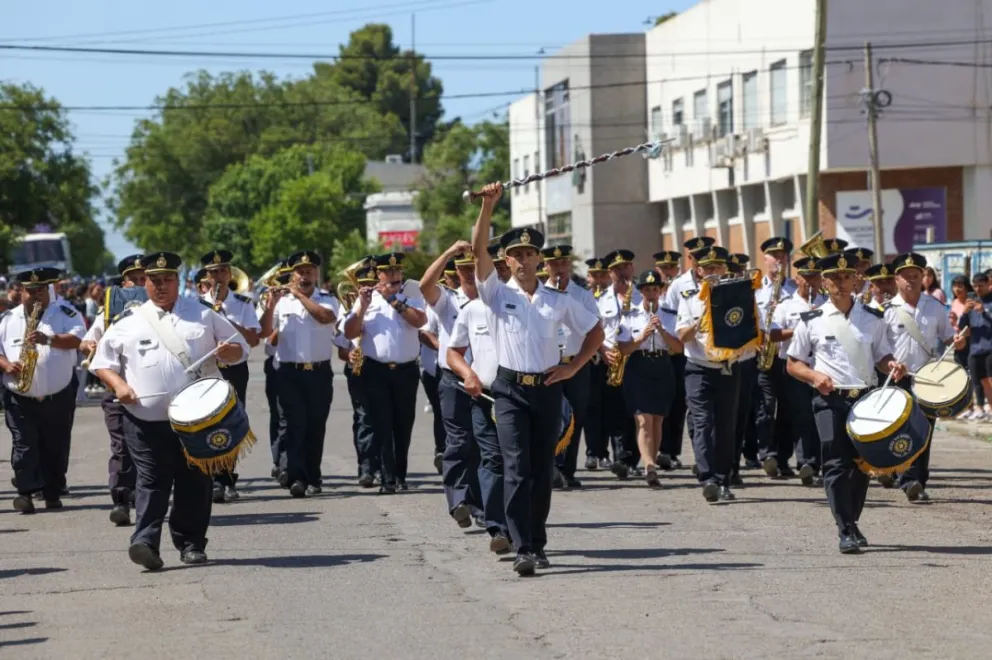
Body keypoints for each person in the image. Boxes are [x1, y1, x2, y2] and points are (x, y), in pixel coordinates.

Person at [470, 182, 603, 576]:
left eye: (529, 254)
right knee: (515, 465)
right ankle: (521, 544)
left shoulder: (559, 300)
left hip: (546, 389)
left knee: (541, 469)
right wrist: (488, 207)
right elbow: (478, 250)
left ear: (540, 259)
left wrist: (573, 367)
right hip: (509, 390)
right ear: (506, 262)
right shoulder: (495, 294)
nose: (524, 261)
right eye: (516, 255)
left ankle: (537, 540)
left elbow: (596, 331)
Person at [90, 252, 248, 569]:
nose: (161, 286)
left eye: (167, 280)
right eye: (154, 280)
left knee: (195, 482)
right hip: (145, 420)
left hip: (196, 422)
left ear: (178, 281)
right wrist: (118, 386)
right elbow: (101, 364)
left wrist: (227, 350)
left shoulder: (203, 314)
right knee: (151, 481)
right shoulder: (127, 321)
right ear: (145, 282)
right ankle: (145, 542)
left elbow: (239, 349)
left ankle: (191, 544)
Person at [786, 252, 906, 554]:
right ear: (824, 282)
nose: (841, 282)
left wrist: (892, 365)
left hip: (865, 399)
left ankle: (851, 521)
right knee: (836, 462)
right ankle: (845, 529)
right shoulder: (812, 320)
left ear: (856, 279)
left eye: (846, 276)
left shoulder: (872, 319)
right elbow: (793, 364)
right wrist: (814, 377)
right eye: (834, 277)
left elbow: (881, 356)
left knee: (862, 465)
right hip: (830, 398)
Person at [1, 267, 85, 513]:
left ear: (48, 290)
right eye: (30, 291)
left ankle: (52, 492)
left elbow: (79, 340)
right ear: (21, 292)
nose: (36, 295)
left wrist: (48, 339)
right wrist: (6, 365)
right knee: (24, 443)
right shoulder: (7, 319)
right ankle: (25, 493)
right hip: (19, 393)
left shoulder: (66, 313)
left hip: (57, 394)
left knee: (55, 444)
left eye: (41, 290)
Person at [343, 252, 427, 494]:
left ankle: (400, 475)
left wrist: (393, 300)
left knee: (403, 424)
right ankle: (387, 478)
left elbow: (419, 321)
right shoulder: (366, 299)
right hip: (376, 371)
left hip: (406, 371)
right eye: (388, 272)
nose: (394, 276)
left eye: (397, 271)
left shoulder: (411, 295)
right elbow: (350, 332)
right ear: (377, 275)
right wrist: (362, 308)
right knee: (382, 424)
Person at [446, 270, 512, 556]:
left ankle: (524, 530)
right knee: (493, 460)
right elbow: (453, 352)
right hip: (484, 397)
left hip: (519, 398)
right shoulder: (471, 310)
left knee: (521, 464)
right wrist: (467, 373)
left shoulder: (527, 304)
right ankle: (497, 527)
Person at [882, 253, 957, 502]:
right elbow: (879, 348)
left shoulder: (935, 307)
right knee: (901, 429)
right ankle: (905, 476)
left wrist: (959, 339)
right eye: (906, 277)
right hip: (897, 377)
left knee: (924, 430)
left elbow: (948, 337)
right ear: (896, 279)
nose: (911, 281)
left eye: (916, 275)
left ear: (923, 277)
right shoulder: (887, 311)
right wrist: (890, 363)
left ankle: (916, 480)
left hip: (926, 377)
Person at [263, 251, 340, 497]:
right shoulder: (281, 302)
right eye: (300, 272)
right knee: (294, 425)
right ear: (292, 274)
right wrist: (270, 305)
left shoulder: (327, 299)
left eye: (309, 272)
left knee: (315, 426)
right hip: (288, 372)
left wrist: (297, 295)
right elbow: (264, 332)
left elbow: (325, 317)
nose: (304, 276)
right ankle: (296, 477)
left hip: (318, 372)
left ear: (316, 274)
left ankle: (313, 477)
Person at [79, 254, 146, 525]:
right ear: (125, 281)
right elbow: (86, 342)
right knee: (122, 446)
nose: (141, 285)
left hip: (150, 389)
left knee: (150, 447)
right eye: (135, 280)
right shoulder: (110, 307)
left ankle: (145, 497)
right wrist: (90, 347)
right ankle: (121, 499)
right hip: (116, 387)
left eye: (145, 279)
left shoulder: (163, 307)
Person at [420, 241, 483, 526]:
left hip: (485, 381)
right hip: (453, 380)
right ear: (455, 271)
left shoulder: (491, 298)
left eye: (473, 267)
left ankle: (482, 506)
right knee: (458, 441)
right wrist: (447, 253)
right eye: (463, 268)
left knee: (483, 444)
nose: (469, 273)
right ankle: (458, 499)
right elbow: (424, 286)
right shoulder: (447, 299)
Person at [676, 246, 744, 502]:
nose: (714, 272)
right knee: (703, 422)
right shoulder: (689, 297)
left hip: (728, 367)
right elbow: (682, 336)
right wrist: (701, 317)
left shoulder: (736, 296)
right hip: (698, 367)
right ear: (699, 271)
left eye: (719, 267)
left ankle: (723, 479)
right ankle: (708, 478)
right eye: (709, 268)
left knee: (726, 426)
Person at [199, 249, 261, 503]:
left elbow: (254, 339)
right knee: (207, 421)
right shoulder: (194, 303)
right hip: (208, 368)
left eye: (223, 270)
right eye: (214, 272)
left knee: (231, 421)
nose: (219, 276)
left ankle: (227, 476)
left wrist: (223, 317)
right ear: (207, 276)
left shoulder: (243, 303)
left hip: (235, 368)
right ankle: (212, 478)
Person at [616, 269, 682, 486]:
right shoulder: (630, 315)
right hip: (638, 365)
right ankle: (649, 466)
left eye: (655, 289)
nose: (651, 293)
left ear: (660, 291)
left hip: (662, 365)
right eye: (647, 290)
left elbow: (678, 348)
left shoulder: (670, 315)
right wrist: (640, 337)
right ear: (641, 292)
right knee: (643, 420)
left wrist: (661, 331)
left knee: (657, 420)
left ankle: (651, 460)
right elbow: (624, 349)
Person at [542, 244, 600, 490]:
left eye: (563, 263)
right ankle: (549, 467)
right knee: (549, 417)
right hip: (548, 365)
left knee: (576, 416)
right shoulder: (539, 294)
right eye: (553, 264)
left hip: (575, 364)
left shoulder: (582, 295)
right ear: (545, 267)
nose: (559, 268)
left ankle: (568, 470)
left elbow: (595, 328)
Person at [769, 257, 827, 485]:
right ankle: (806, 462)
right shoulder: (786, 305)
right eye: (806, 278)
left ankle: (817, 462)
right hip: (794, 367)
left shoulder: (826, 303)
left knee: (819, 415)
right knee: (800, 415)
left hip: (820, 367)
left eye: (815, 278)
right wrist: (802, 326)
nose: (811, 283)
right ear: (797, 279)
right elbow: (773, 334)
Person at [598, 248, 642, 479]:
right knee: (615, 412)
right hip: (612, 360)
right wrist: (603, 351)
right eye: (616, 269)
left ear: (632, 268)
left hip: (637, 359)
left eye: (625, 267)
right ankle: (621, 458)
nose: (622, 272)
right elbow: (594, 331)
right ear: (610, 273)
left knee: (636, 413)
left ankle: (633, 459)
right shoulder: (600, 299)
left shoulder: (642, 296)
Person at [259, 263, 290, 481]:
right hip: (276, 362)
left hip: (297, 362)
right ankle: (279, 459)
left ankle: (290, 463)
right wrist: (272, 305)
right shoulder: (268, 300)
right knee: (279, 416)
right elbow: (264, 333)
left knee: (294, 419)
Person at [581, 256, 612, 470]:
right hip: (590, 359)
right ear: (588, 277)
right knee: (591, 409)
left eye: (602, 275)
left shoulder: (614, 298)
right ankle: (592, 452)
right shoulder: (583, 298)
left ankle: (604, 453)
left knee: (608, 409)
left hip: (610, 361)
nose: (599, 279)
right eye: (595, 275)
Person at [948, 275, 986, 420]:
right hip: (959, 342)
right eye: (955, 285)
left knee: (976, 375)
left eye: (961, 286)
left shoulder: (974, 301)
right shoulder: (954, 303)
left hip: (974, 342)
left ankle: (980, 407)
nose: (957, 289)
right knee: (962, 376)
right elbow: (954, 324)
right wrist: (952, 321)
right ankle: (967, 407)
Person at [957, 272, 992, 422]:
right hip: (975, 347)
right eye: (975, 286)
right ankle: (979, 408)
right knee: (976, 380)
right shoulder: (970, 302)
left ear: (988, 285)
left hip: (990, 347)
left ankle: (991, 407)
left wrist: (984, 312)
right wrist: (964, 313)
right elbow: (962, 327)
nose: (978, 289)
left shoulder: (989, 302)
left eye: (981, 286)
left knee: (990, 380)